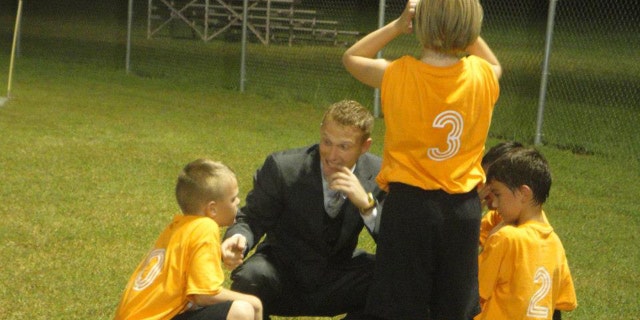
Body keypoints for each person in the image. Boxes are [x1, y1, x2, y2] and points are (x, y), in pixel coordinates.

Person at [342, 0, 502, 319]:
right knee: (454, 306)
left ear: (421, 25)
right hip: (462, 210)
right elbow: (494, 63)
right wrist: (459, 26)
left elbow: (352, 57)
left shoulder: (398, 73)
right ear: (471, 27)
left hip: (409, 207)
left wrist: (399, 25)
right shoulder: (483, 75)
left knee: (399, 305)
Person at [221, 100, 385, 320]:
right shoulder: (284, 168)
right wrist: (239, 238)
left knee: (391, 277)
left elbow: (396, 244)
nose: (332, 155)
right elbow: (251, 218)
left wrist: (366, 206)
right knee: (250, 277)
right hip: (283, 273)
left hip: (337, 276)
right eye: (327, 141)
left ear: (365, 146)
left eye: (344, 146)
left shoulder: (378, 174)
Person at [114, 159, 263, 320]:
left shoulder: (178, 227)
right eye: (233, 199)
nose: (238, 202)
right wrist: (254, 302)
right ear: (212, 208)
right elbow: (202, 295)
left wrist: (217, 253)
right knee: (243, 310)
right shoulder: (206, 227)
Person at [475, 148, 577, 320]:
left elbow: (473, 293)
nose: (495, 202)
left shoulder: (505, 237)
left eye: (498, 194)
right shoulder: (555, 244)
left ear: (524, 193)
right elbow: (561, 302)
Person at [478, 141, 525, 249]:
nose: (483, 188)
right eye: (482, 180)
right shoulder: (496, 216)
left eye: (491, 185)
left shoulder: (518, 231)